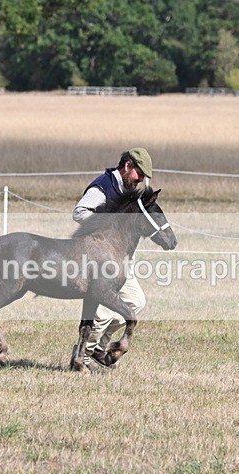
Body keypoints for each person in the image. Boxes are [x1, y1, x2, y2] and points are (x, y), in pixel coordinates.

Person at [72, 147, 153, 370]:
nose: (141, 180)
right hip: (99, 266)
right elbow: (79, 212)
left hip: (123, 265)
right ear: (127, 167)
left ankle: (99, 348)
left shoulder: (134, 188)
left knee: (136, 303)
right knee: (101, 314)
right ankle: (81, 357)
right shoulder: (103, 187)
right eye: (140, 174)